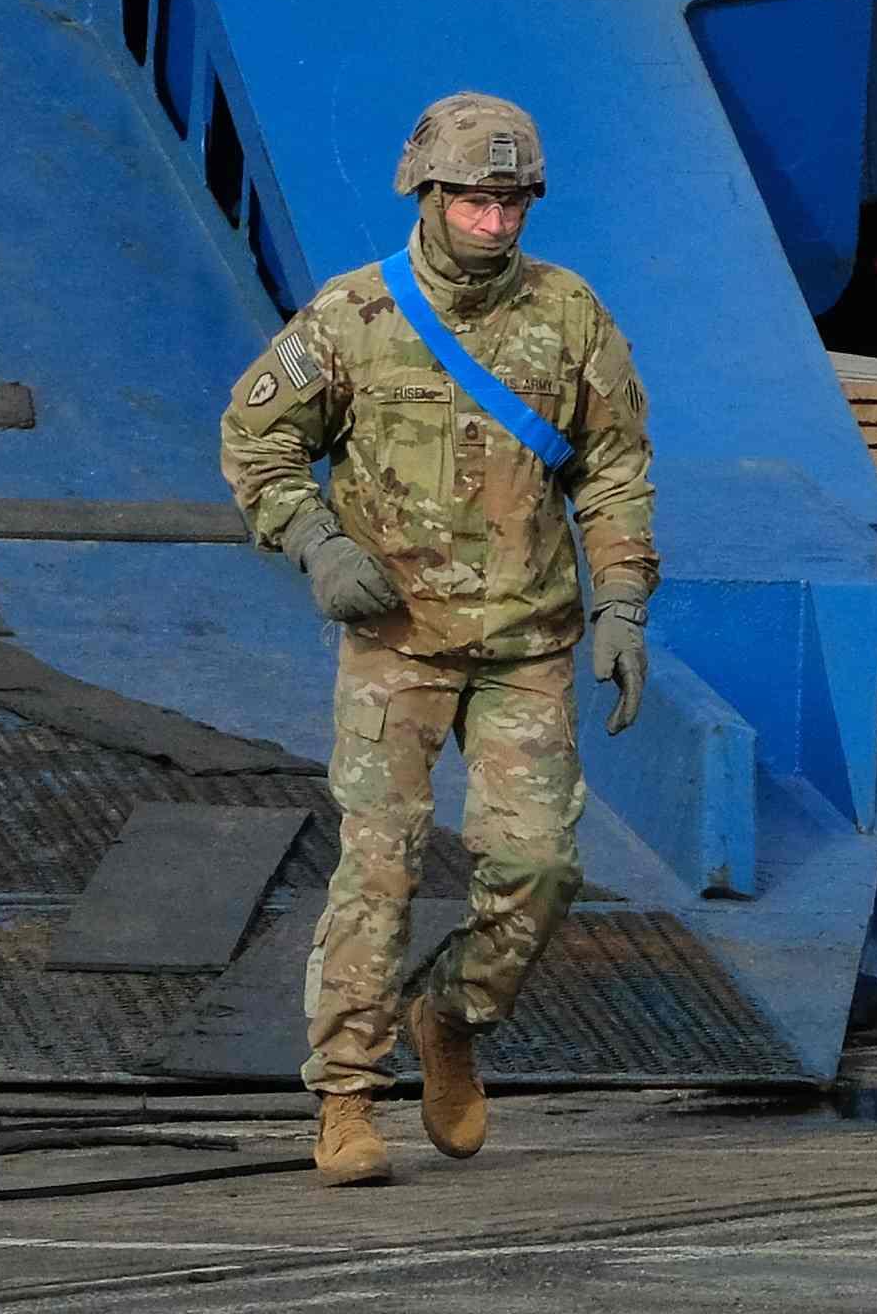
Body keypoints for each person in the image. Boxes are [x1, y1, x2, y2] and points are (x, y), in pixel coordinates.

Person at [217, 94, 652, 1192]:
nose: (493, 223)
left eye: (511, 203)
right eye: (472, 201)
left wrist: (623, 602)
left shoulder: (570, 315)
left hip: (525, 640)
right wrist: (316, 541)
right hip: (396, 640)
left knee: (540, 864)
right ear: (426, 195)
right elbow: (257, 439)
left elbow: (613, 467)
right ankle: (347, 1097)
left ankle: (450, 1014)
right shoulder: (353, 316)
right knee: (380, 864)